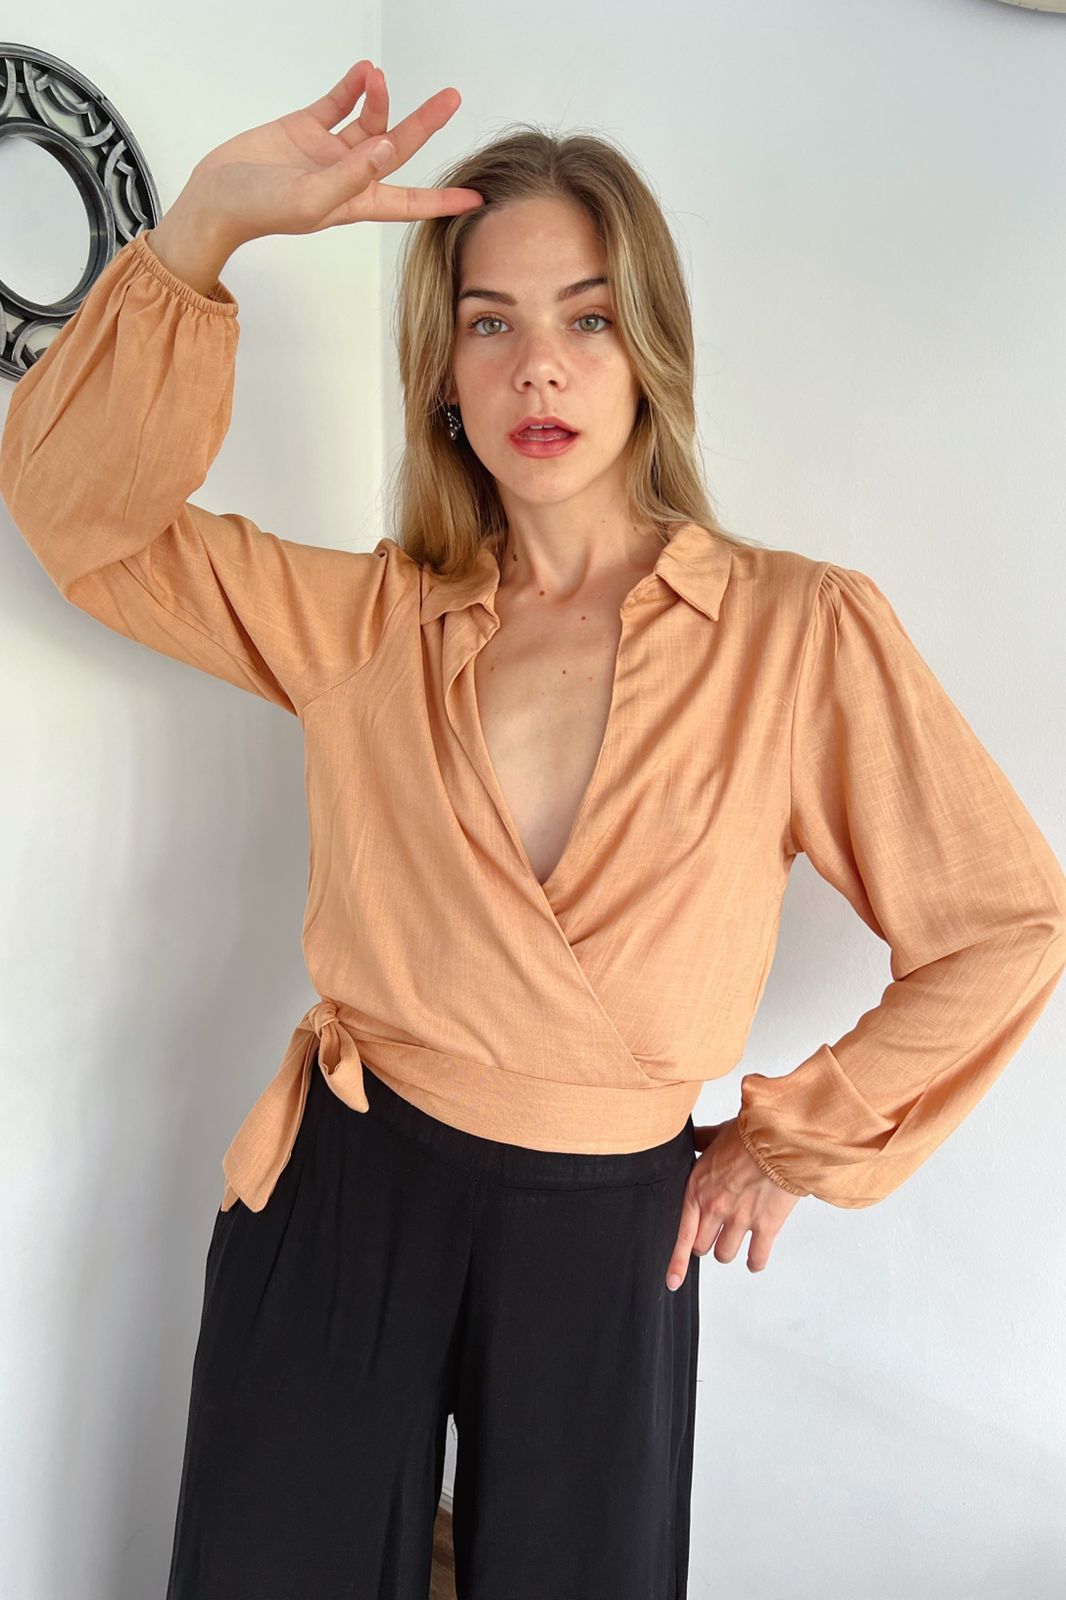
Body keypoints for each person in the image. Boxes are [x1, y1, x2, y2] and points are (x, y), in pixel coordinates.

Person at [2, 58, 1064, 1600]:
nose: (537, 372)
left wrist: (789, 1145)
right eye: (489, 323)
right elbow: (79, 522)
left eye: (585, 318)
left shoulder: (797, 633)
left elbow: (1002, 921)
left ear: (649, 351)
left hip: (610, 1225)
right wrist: (205, 231)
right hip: (345, 1189)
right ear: (444, 369)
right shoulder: (367, 621)